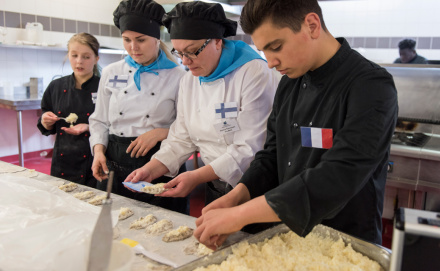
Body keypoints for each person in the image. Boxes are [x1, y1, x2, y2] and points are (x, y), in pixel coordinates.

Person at [194, 0, 398, 249]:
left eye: (276, 47)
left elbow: (339, 175)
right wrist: (238, 196)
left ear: (312, 25)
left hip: (347, 244)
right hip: (290, 237)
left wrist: (241, 215)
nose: (270, 62)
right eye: (264, 52)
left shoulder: (371, 85)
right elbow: (272, 155)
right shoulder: (290, 83)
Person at [124, 1, 279, 206]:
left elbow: (251, 148)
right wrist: (151, 168)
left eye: (192, 51)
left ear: (217, 41)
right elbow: (181, 137)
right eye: (179, 53)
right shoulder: (190, 80)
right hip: (214, 184)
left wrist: (196, 177)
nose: (185, 62)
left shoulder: (253, 73)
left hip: (257, 189)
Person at [89, 0, 188, 213]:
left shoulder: (178, 76)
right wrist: (98, 151)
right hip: (114, 160)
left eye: (141, 40)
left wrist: (161, 132)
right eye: (127, 40)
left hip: (160, 159)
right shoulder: (111, 72)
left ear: (157, 38)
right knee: (114, 225)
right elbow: (99, 119)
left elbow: (189, 126)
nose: (133, 47)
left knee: (163, 227)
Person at [37, 32, 100, 188]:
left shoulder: (104, 87)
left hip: (94, 160)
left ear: (96, 59)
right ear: (68, 56)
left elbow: (115, 125)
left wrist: (88, 127)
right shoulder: (56, 86)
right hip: (63, 161)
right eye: (74, 55)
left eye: (86, 57)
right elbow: (45, 121)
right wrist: (46, 121)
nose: (79, 61)